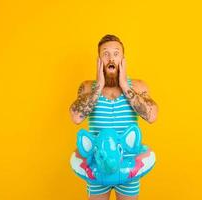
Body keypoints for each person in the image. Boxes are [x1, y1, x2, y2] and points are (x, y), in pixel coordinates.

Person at [69, 34, 158, 200]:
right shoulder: (88, 87)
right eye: (106, 54)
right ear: (99, 60)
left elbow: (152, 116)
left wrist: (125, 86)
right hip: (97, 167)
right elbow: (76, 117)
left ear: (123, 60)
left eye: (116, 54)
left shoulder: (138, 86)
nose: (111, 58)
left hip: (128, 167)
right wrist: (99, 86)